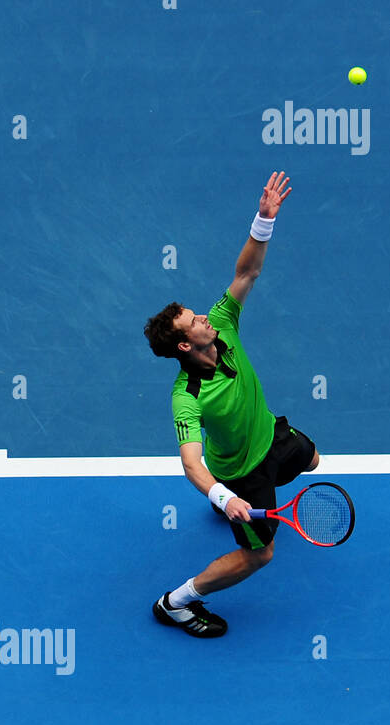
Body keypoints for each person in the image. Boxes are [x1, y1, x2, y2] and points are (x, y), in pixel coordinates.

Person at [143, 171, 319, 637]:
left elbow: (247, 271)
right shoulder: (187, 399)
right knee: (260, 554)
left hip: (272, 436)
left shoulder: (224, 323)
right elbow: (191, 465)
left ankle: (235, 506)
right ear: (184, 345)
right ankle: (176, 603)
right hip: (240, 473)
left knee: (313, 458)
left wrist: (263, 220)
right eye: (193, 320)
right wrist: (226, 496)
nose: (204, 315)